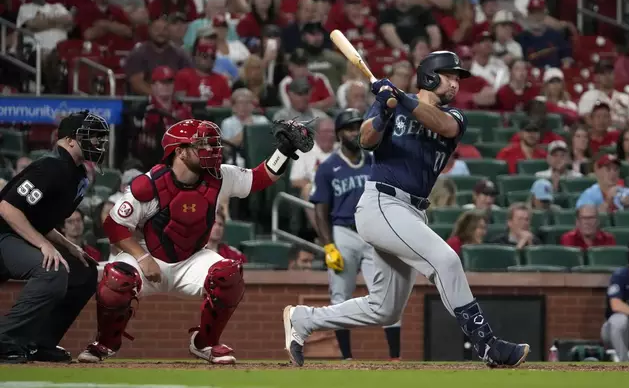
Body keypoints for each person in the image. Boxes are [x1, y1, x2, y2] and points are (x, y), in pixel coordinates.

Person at [282, 51, 529, 368]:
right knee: (446, 260)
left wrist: (400, 98)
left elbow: (440, 124)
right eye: (450, 76)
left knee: (385, 309)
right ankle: (489, 345)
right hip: (382, 203)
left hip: (411, 212)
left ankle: (303, 320)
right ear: (429, 75)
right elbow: (366, 140)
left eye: (457, 78)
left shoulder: (453, 117)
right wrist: (384, 112)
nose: (455, 83)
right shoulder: (391, 103)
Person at [77, 117, 312, 365]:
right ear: (179, 151)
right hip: (147, 256)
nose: (212, 151)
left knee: (228, 274)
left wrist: (283, 150)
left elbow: (259, 177)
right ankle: (105, 343)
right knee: (117, 279)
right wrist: (143, 258)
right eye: (202, 145)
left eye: (212, 145)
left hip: (191, 259)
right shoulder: (150, 184)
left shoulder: (219, 176)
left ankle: (205, 343)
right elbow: (114, 225)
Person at [0, 112, 108, 363]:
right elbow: (7, 208)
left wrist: (68, 245)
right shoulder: (50, 166)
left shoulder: (77, 174)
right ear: (70, 140)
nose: (98, 144)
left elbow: (39, 220)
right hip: (3, 234)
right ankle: (5, 341)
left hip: (16, 236)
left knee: (83, 270)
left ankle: (40, 343)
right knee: (52, 270)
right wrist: (43, 245)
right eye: (92, 138)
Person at [309, 108, 402, 362]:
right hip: (344, 233)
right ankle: (347, 358)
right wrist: (328, 245)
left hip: (373, 233)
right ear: (339, 134)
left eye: (357, 127)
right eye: (350, 128)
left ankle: (395, 357)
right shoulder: (328, 167)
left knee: (386, 295)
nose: (355, 132)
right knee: (340, 297)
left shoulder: (375, 160)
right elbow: (320, 210)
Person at [601, 235, 629, 362]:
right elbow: (616, 305)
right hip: (613, 330)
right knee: (619, 319)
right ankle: (625, 364)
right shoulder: (621, 275)